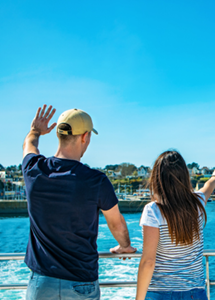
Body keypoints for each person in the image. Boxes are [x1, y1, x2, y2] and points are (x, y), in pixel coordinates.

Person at [22, 105, 136, 300]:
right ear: (85, 137)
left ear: (59, 134)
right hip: (80, 283)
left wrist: (35, 130)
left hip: (42, 284)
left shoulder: (34, 169)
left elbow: (29, 145)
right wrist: (125, 245)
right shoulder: (96, 180)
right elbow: (116, 224)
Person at [136, 150, 215, 300]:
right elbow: (208, 187)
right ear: (184, 176)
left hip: (161, 293)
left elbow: (149, 261)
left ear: (157, 178)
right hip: (195, 293)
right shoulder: (197, 202)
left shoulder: (153, 210)